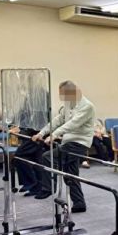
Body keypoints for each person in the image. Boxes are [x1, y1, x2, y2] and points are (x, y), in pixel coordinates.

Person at [32, 81, 95, 213]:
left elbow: (72, 124)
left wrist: (54, 135)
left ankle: (48, 188)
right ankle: (79, 203)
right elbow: (58, 120)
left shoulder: (87, 106)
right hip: (68, 142)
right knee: (70, 174)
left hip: (79, 143)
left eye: (64, 94)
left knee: (48, 157)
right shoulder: (69, 103)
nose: (62, 97)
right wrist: (41, 133)